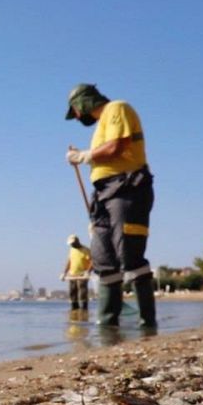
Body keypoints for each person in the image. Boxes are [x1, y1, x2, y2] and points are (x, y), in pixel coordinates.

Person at [64, 83, 158, 328]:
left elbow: (117, 146)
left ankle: (147, 324)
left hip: (127, 187)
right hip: (103, 194)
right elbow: (103, 152)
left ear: (83, 102)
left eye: (75, 110)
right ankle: (107, 327)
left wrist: (84, 156)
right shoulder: (99, 127)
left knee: (130, 253)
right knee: (103, 257)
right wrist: (85, 156)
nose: (76, 117)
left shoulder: (117, 108)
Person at [59, 234, 92, 310]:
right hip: (72, 274)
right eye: (71, 244)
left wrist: (88, 271)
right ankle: (74, 309)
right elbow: (69, 261)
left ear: (77, 241)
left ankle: (84, 309)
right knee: (72, 292)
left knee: (82, 292)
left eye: (73, 243)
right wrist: (64, 272)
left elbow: (92, 261)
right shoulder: (72, 249)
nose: (72, 245)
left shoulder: (85, 250)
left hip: (82, 274)